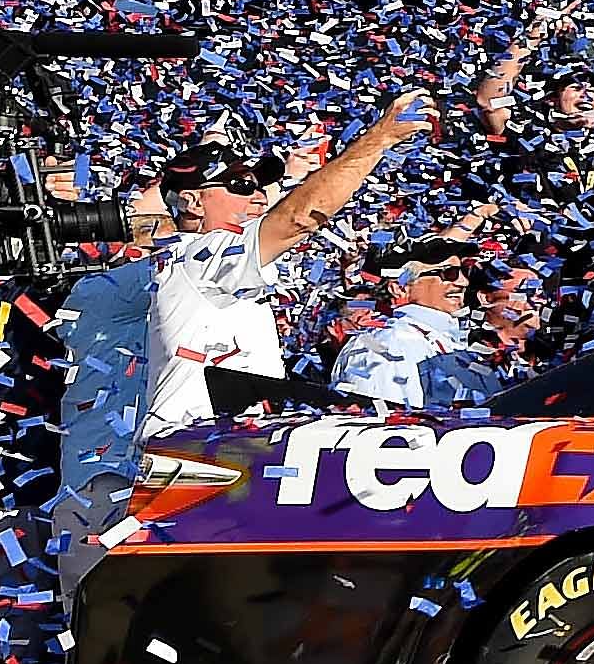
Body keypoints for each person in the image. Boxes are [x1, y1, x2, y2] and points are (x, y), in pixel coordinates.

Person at [140, 96, 433, 444]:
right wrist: (380, 138)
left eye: (260, 186)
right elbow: (298, 218)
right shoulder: (195, 258)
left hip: (229, 454)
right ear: (191, 201)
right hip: (189, 462)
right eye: (241, 187)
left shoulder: (222, 266)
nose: (259, 196)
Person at [329, 240, 481, 412]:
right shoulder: (387, 344)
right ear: (400, 288)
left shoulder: (437, 336)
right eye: (449, 273)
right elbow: (384, 431)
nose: (463, 282)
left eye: (463, 271)